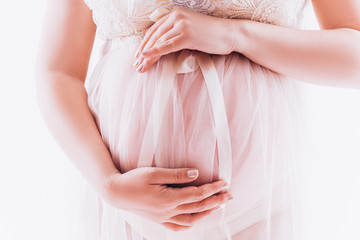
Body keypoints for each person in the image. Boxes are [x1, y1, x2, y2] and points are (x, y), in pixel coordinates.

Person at [35, 0, 360, 239]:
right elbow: (58, 72)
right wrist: (107, 184)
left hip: (260, 206)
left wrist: (235, 34)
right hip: (126, 210)